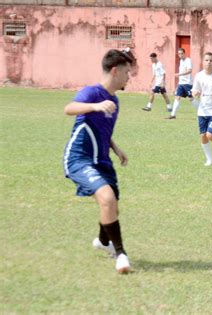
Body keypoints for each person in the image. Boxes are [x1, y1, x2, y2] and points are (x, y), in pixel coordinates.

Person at [63, 49, 135, 274]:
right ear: (115, 71)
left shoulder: (114, 100)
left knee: (112, 206)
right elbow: (69, 109)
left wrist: (116, 148)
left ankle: (103, 242)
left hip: (102, 160)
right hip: (79, 158)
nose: (128, 77)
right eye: (126, 72)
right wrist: (95, 106)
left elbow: (103, 129)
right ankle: (121, 254)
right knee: (107, 198)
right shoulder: (92, 92)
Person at [167, 48, 196, 119]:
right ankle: (173, 115)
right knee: (177, 97)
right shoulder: (181, 61)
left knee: (191, 99)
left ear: (184, 53)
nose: (180, 55)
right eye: (178, 54)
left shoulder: (188, 60)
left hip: (187, 83)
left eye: (181, 53)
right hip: (181, 83)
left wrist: (179, 74)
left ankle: (202, 112)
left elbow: (189, 71)